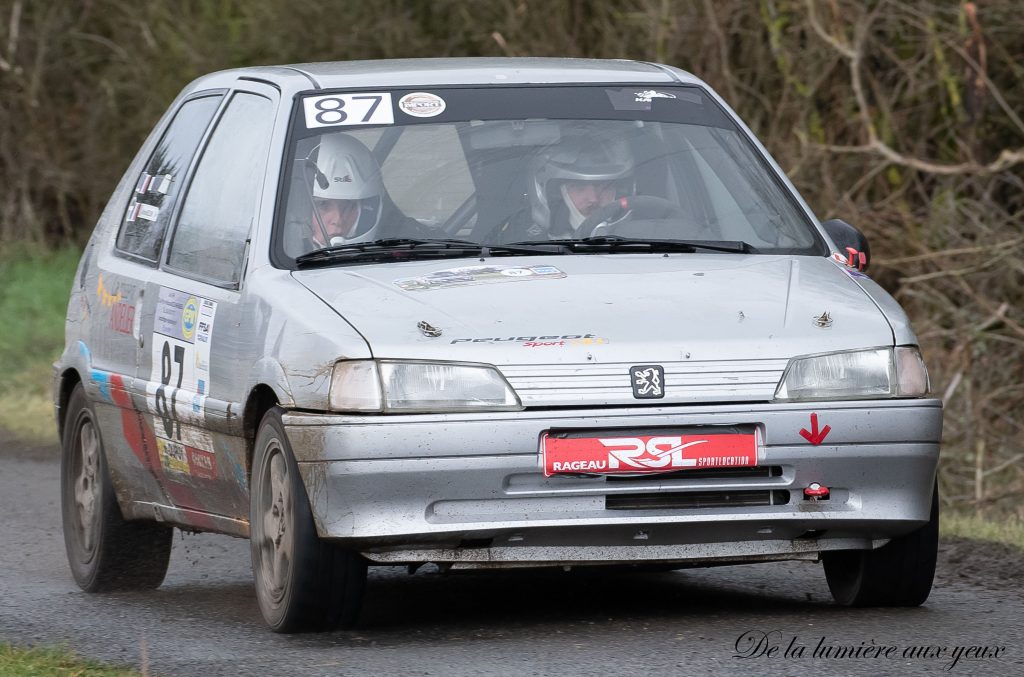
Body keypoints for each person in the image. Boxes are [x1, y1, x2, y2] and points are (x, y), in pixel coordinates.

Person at [304, 133, 422, 248]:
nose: (337, 220)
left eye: (350, 206)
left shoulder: (403, 248)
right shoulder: (286, 258)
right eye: (323, 205)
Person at [528, 134, 635, 238]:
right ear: (554, 195)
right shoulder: (520, 246)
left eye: (603, 186)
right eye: (580, 188)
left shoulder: (646, 235)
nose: (594, 198)